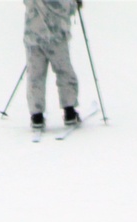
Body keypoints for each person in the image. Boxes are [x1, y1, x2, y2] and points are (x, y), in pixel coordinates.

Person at [23, 0, 81, 129]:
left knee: (35, 75)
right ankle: (69, 110)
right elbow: (64, 7)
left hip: (33, 35)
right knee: (64, 71)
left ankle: (36, 115)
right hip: (56, 36)